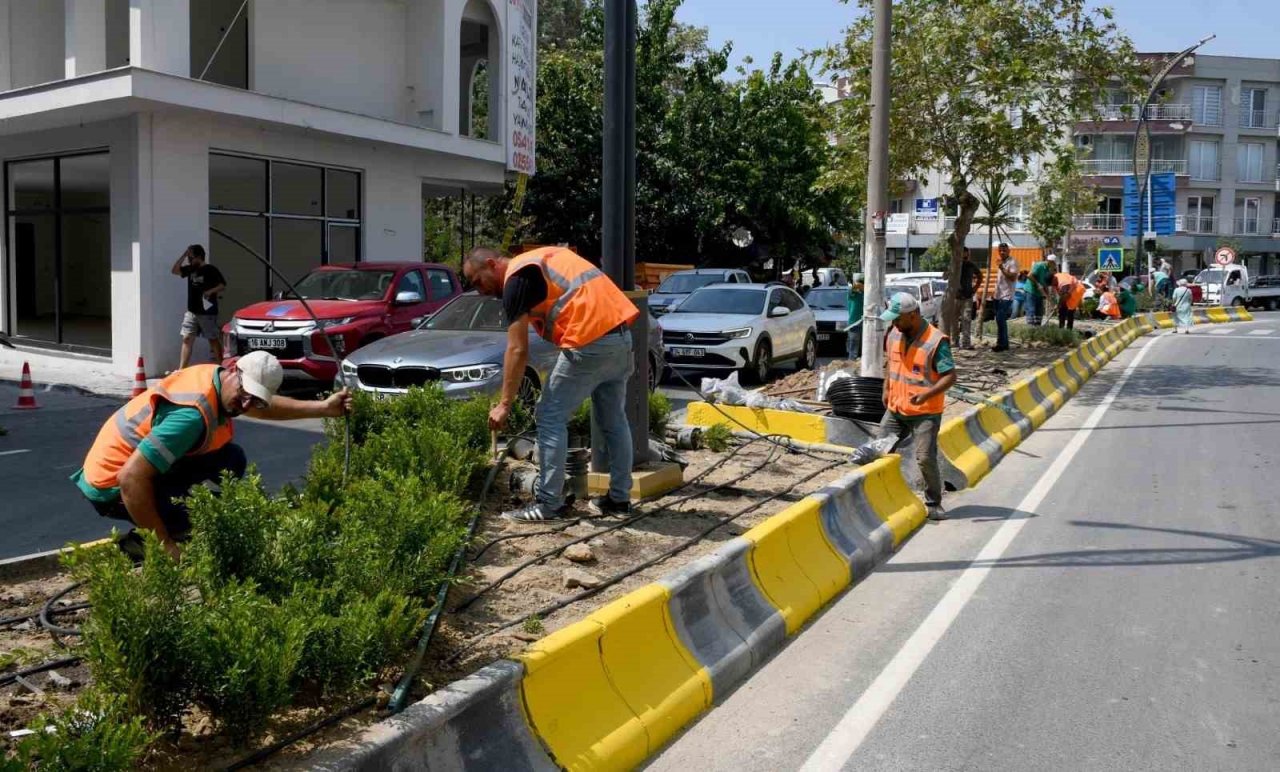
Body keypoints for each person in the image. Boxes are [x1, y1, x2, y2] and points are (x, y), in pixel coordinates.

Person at [72, 351, 352, 559]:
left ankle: (173, 524)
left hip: (130, 470)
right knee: (200, 518)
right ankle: (140, 545)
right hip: (111, 489)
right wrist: (166, 545)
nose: (245, 405)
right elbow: (130, 479)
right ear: (232, 369)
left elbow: (259, 405)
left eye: (255, 399)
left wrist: (324, 408)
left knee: (231, 459)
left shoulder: (217, 379)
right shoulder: (190, 417)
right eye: (245, 394)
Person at [464, 245, 639, 522]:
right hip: (620, 338)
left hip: (588, 341)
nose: (480, 291)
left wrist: (504, 404)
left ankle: (549, 504)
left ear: (491, 264)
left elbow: (518, 350)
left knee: (549, 416)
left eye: (477, 281)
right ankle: (619, 499)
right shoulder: (543, 257)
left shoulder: (516, 279)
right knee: (614, 419)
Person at [878, 292, 957, 521]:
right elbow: (891, 365)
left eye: (898, 318)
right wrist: (886, 388)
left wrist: (926, 395)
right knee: (878, 450)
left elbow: (950, 376)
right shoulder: (894, 333)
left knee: (925, 457)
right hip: (896, 408)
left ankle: (933, 501)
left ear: (912, 315)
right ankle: (883, 496)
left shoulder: (935, 341)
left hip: (925, 413)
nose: (894, 323)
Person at [172, 245, 226, 370]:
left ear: (199, 257)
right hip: (192, 311)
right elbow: (175, 270)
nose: (190, 261)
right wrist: (185, 255)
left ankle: (221, 366)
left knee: (212, 339)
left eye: (192, 258)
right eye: (189, 258)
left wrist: (210, 291)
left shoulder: (210, 269)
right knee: (186, 338)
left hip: (207, 312)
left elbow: (222, 285)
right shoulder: (191, 269)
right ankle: (182, 370)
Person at [992, 243, 1019, 352]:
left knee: (1001, 319)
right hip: (998, 295)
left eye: (1004, 250)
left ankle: (1002, 344)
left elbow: (1012, 277)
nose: (1002, 252)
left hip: (1006, 296)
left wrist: (1002, 268)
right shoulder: (1002, 262)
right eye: (1000, 250)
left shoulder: (1012, 262)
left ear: (1009, 251)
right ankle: (1003, 343)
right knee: (999, 320)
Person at [955, 247, 982, 350]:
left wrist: (975, 288)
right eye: (963, 254)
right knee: (954, 321)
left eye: (966, 254)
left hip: (967, 297)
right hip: (955, 297)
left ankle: (966, 343)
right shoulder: (955, 264)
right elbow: (945, 276)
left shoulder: (971, 265)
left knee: (966, 320)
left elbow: (980, 276)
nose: (965, 256)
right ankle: (954, 342)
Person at [1026, 253, 1056, 325]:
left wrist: (1048, 296)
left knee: (1039, 312)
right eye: (1053, 263)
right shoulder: (1039, 265)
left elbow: (1045, 283)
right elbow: (1029, 275)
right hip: (1031, 291)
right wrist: (1038, 284)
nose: (1054, 265)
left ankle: (1037, 328)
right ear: (1050, 261)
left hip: (1039, 293)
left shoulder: (1048, 270)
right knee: (1031, 310)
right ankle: (1030, 328)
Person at [846, 273, 865, 361]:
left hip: (865, 323)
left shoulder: (866, 294)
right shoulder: (853, 293)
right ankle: (851, 363)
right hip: (854, 323)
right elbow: (852, 289)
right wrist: (858, 284)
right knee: (853, 348)